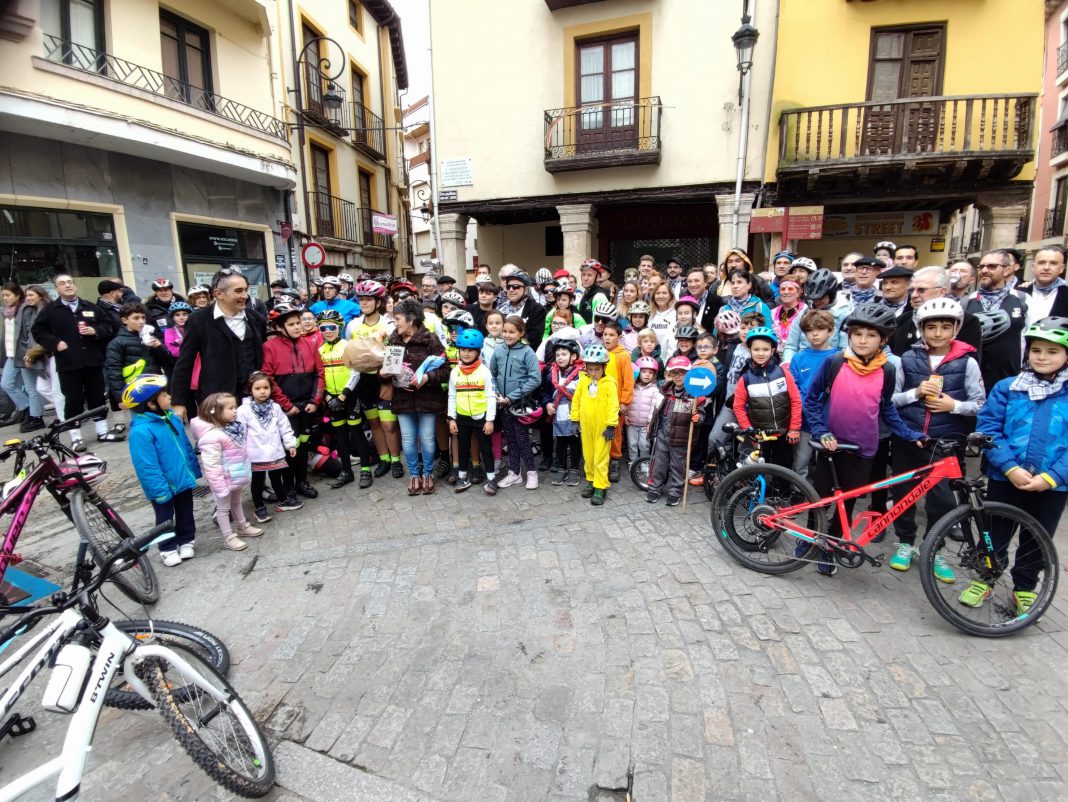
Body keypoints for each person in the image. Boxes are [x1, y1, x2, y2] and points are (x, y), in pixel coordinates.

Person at [802, 304, 925, 576]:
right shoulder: (834, 363)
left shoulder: (888, 371)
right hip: (829, 445)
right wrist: (821, 431)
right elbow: (811, 401)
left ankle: (831, 544)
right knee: (820, 497)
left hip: (863, 448)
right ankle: (810, 537)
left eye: (871, 335)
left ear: (883, 340)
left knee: (847, 500)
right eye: (857, 334)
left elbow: (886, 409)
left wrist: (909, 433)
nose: (862, 340)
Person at [972, 316, 1068, 613]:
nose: (1042, 357)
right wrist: (1010, 467)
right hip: (1006, 478)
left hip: (1052, 485)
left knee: (1036, 538)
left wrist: (1052, 477)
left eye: (1053, 352)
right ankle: (984, 578)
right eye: (1037, 350)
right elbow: (988, 428)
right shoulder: (1007, 387)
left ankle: (1025, 586)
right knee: (995, 532)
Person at [888, 298, 985, 577]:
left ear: (956, 328)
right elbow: (892, 399)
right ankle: (905, 543)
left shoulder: (968, 363)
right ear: (921, 329)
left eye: (945, 326)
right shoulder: (907, 359)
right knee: (904, 494)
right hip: (909, 438)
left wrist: (952, 406)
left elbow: (980, 403)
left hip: (945, 441)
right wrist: (915, 394)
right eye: (931, 327)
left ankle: (935, 548)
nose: (938, 333)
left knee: (942, 500)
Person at [31, 274, 119, 450]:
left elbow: (108, 326)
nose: (67, 286)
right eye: (62, 283)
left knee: (97, 397)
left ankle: (102, 431)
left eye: (70, 282)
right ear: (57, 288)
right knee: (72, 400)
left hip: (92, 361)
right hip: (68, 362)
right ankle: (76, 437)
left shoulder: (90, 307)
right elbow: (38, 332)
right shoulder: (50, 310)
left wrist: (94, 331)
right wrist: (55, 343)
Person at [124, 375, 201, 567]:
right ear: (151, 404)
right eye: (164, 395)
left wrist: (193, 469)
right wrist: (159, 490)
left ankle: (186, 540)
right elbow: (146, 465)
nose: (169, 397)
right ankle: (167, 548)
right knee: (164, 518)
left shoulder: (172, 419)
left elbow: (185, 445)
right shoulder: (141, 432)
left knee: (185, 511)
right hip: (162, 486)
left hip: (182, 478)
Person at [170, 269, 266, 422]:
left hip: (252, 399)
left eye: (246, 290)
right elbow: (184, 363)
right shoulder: (199, 321)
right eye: (239, 291)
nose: (245, 296)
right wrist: (179, 402)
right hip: (216, 399)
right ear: (219, 293)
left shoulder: (255, 318)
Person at [384, 297, 450, 496]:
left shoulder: (430, 340)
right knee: (408, 439)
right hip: (402, 400)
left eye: (398, 318)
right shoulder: (393, 340)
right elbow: (386, 369)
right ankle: (414, 474)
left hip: (427, 399)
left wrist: (427, 378)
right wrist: (383, 373)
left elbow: (446, 369)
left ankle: (428, 473)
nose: (395, 323)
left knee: (428, 439)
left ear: (411, 319)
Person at [261, 303, 324, 499]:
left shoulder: (310, 344)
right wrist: (286, 406)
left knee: (304, 445)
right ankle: (288, 487)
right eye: (292, 324)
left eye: (298, 323)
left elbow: (319, 374)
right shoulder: (269, 347)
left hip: (307, 405)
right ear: (279, 327)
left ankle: (302, 482)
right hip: (285, 409)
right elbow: (268, 379)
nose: (298, 327)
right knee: (290, 448)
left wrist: (315, 401)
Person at [191, 391, 263, 551]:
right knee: (223, 509)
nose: (235, 411)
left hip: (236, 476)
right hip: (223, 480)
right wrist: (219, 487)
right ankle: (228, 536)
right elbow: (211, 466)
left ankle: (242, 526)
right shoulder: (211, 437)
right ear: (216, 412)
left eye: (235, 407)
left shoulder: (232, 428)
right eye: (230, 408)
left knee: (236, 502)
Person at [348, 280, 402, 478]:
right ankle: (384, 459)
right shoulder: (353, 325)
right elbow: (350, 353)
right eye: (361, 299)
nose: (364, 303)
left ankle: (396, 460)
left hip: (385, 379)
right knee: (374, 423)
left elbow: (396, 352)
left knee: (389, 423)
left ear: (378, 302)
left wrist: (388, 372)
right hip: (364, 381)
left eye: (368, 299)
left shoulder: (388, 324)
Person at [317, 309, 373, 490]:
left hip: (349, 396)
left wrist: (342, 396)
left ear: (339, 327)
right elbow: (320, 376)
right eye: (323, 328)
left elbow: (356, 373)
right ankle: (346, 472)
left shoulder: (348, 346)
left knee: (356, 433)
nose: (327, 331)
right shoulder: (320, 350)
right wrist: (326, 395)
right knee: (340, 436)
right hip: (331, 397)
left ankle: (365, 470)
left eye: (331, 327)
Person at [732, 327, 802, 469]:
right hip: (759, 435)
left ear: (772, 350)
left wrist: (794, 428)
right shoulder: (746, 378)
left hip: (783, 433)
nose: (760, 353)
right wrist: (748, 429)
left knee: (783, 468)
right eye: (756, 349)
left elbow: (795, 400)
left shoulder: (783, 373)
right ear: (750, 350)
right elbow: (738, 406)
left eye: (765, 349)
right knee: (758, 470)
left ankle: (781, 492)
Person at [237, 371, 300, 523]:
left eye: (266, 387)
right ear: (250, 390)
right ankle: (259, 508)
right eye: (258, 388)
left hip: (275, 451)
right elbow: (240, 433)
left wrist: (290, 444)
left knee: (276, 476)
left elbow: (284, 426)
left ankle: (283, 500)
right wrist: (241, 453)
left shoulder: (276, 408)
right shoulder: (244, 410)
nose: (262, 391)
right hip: (255, 453)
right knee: (258, 482)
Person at [488, 315, 541, 492]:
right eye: (505, 331)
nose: (507, 335)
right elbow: (493, 374)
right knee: (509, 438)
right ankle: (514, 472)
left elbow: (535, 379)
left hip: (521, 405)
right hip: (503, 404)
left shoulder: (527, 352)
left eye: (512, 332)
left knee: (522, 439)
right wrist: (497, 394)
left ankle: (532, 473)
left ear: (521, 333)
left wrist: (512, 396)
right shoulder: (499, 350)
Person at [964, 249, 1030, 390]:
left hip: (1011, 380)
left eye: (992, 266)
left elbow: (1032, 338)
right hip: (972, 382)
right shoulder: (965, 303)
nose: (984, 270)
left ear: (1006, 271)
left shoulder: (1023, 300)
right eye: (981, 267)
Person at [788, 310, 838, 478]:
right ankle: (798, 491)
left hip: (829, 419)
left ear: (830, 331)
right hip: (804, 420)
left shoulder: (838, 358)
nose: (814, 334)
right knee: (801, 460)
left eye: (820, 329)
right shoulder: (798, 358)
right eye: (809, 330)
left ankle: (823, 493)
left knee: (827, 462)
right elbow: (794, 388)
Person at [889, 267, 982, 357]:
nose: (913, 295)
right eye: (911, 290)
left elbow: (970, 363)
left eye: (921, 290)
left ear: (942, 292)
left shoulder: (966, 321)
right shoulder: (900, 320)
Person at [646, 356, 702, 507]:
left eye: (682, 373)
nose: (678, 376)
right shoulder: (664, 390)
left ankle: (675, 491)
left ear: (689, 374)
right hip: (663, 434)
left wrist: (698, 418)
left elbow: (701, 415)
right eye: (675, 373)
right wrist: (651, 426)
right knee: (659, 464)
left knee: (678, 466)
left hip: (681, 438)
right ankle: (654, 488)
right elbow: (656, 410)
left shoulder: (694, 394)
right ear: (670, 374)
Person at [447, 327, 497, 493]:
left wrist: (490, 420)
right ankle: (462, 477)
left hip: (481, 417)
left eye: (470, 350)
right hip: (462, 417)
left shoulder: (484, 372)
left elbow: (491, 396)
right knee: (462, 448)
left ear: (478, 352)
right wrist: (451, 418)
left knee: (486, 449)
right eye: (463, 350)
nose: (466, 354)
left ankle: (491, 479)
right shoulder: (455, 373)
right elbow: (452, 396)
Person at [571, 344, 619, 506]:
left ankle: (600, 486)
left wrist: (611, 425)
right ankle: (591, 480)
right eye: (590, 369)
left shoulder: (609, 383)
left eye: (596, 369)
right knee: (589, 456)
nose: (593, 373)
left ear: (604, 367)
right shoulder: (584, 381)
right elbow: (576, 401)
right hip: (586, 426)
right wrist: (575, 420)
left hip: (603, 428)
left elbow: (614, 405)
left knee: (601, 457)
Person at [104, 302, 167, 411]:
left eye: (143, 317)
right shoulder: (117, 343)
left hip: (156, 386)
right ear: (125, 320)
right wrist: (121, 398)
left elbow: (166, 361)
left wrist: (159, 347)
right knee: (143, 420)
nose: (141, 321)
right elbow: (113, 373)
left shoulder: (149, 337)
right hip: (136, 391)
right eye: (136, 318)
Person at [782, 269, 851, 364]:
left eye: (821, 298)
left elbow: (845, 350)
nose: (816, 302)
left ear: (831, 294)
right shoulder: (804, 314)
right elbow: (791, 346)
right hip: (802, 365)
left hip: (829, 366)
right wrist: (787, 364)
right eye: (813, 299)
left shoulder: (844, 315)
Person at [542, 338, 582, 486]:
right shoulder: (551, 374)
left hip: (574, 415)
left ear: (573, 357)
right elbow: (545, 392)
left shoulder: (581, 374)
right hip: (558, 415)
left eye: (564, 354)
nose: (560, 358)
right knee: (560, 443)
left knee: (574, 442)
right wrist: (547, 404)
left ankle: (574, 470)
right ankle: (561, 467)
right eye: (558, 355)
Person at [0, 284, 40, 431]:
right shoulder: (6, 312)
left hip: (23, 354)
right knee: (6, 384)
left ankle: (36, 416)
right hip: (11, 355)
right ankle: (28, 408)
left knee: (31, 387)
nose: (5, 298)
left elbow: (30, 333)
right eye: (3, 296)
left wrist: (30, 353)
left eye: (8, 295)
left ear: (17, 295)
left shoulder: (25, 309)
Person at [10, 284, 48, 432]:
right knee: (33, 387)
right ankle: (35, 415)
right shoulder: (24, 310)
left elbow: (36, 334)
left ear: (40, 295)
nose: (28, 298)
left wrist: (31, 354)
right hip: (23, 353)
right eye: (26, 296)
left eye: (31, 295)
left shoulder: (46, 310)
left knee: (47, 388)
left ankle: (39, 415)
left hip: (42, 354)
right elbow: (22, 334)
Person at [602, 320, 634, 482]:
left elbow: (628, 381)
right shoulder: (599, 352)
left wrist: (624, 402)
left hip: (615, 404)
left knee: (614, 433)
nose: (607, 338)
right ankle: (602, 460)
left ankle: (614, 460)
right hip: (600, 402)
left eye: (611, 335)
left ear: (619, 338)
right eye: (605, 334)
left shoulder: (623, 356)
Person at [498, 271, 547, 350]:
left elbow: (535, 339)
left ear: (526, 289)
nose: (511, 290)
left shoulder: (537, 310)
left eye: (516, 286)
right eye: (508, 286)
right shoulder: (501, 308)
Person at [627, 356, 662, 464]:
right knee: (632, 444)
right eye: (644, 371)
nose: (647, 374)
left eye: (651, 372)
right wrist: (625, 415)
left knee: (644, 445)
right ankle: (633, 462)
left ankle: (643, 464)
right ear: (638, 373)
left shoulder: (654, 389)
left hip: (644, 425)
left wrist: (650, 422)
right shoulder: (632, 387)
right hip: (631, 422)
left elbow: (653, 407)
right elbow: (627, 402)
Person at [1021, 246, 1067, 323]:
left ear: (1061, 268)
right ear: (1033, 267)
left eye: (1053, 263)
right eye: (1041, 263)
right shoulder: (1016, 294)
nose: (1046, 267)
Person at [769, 278, 805, 348]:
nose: (786, 292)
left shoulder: (806, 311)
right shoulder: (772, 313)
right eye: (783, 289)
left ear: (798, 293)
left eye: (790, 289)